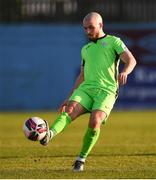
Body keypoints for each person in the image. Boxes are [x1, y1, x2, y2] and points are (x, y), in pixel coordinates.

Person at [40, 12, 137, 172]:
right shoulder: (85, 49)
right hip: (86, 89)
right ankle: (49, 134)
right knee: (69, 109)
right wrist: (69, 96)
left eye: (90, 27)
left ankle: (81, 159)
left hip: (107, 91)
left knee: (95, 121)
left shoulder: (114, 42)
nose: (87, 31)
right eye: (85, 28)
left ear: (101, 25)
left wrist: (125, 72)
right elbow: (82, 75)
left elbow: (131, 59)